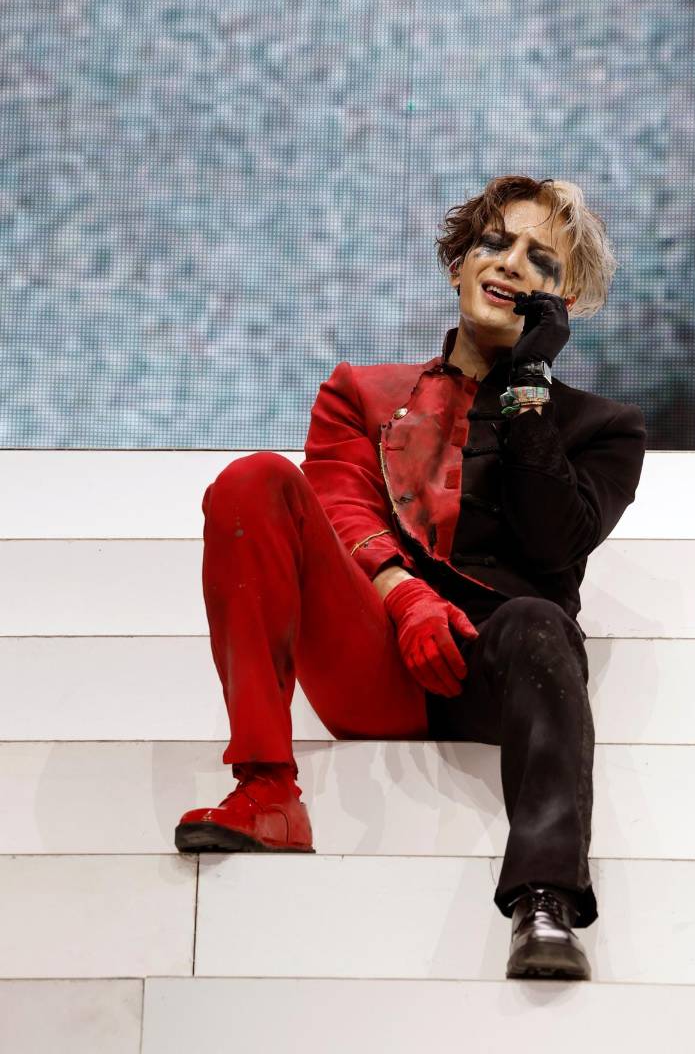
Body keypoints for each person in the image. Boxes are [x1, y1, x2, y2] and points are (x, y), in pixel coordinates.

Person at [174, 174, 647, 980]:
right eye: (495, 242)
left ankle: (547, 901)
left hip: (497, 666)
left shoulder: (604, 429)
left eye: (541, 260)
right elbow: (339, 508)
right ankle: (266, 792)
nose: (511, 264)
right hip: (377, 655)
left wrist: (528, 386)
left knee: (540, 620)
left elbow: (552, 545)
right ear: (459, 263)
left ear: (564, 302)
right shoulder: (360, 393)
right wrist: (406, 597)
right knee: (255, 481)